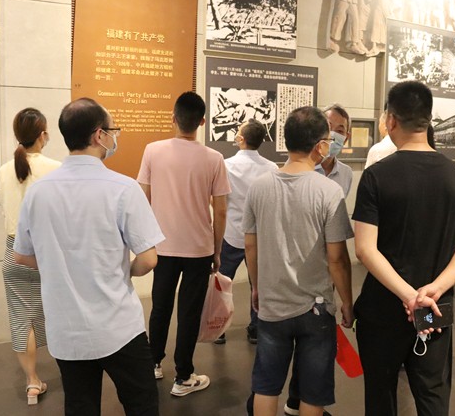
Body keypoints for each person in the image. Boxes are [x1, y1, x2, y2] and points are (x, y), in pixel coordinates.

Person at [13, 98, 163, 416]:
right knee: (142, 404)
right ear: (99, 135)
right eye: (112, 130)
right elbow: (149, 259)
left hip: (67, 329)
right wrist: (124, 269)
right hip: (119, 326)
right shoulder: (124, 188)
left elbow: (22, 256)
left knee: (80, 406)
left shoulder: (38, 192)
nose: (114, 137)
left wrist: (59, 264)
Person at [353, 81, 455, 416]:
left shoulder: (376, 176)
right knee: (433, 396)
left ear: (390, 119)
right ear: (428, 119)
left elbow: (365, 250)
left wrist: (409, 296)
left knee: (381, 396)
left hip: (384, 306)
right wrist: (433, 291)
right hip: (434, 309)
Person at [245, 106, 354, 416]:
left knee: (266, 385)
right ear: (320, 145)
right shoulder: (329, 192)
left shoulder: (259, 187)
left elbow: (250, 246)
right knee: (313, 390)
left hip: (272, 304)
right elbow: (337, 259)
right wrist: (347, 301)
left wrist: (256, 287)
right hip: (315, 309)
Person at [137, 91, 231, 396]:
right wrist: (217, 251)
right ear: (202, 122)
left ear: (173, 118)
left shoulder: (152, 151)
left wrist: (146, 242)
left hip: (162, 246)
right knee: (189, 312)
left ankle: (153, 363)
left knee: (160, 306)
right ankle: (183, 376)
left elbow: (143, 199)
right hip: (199, 248)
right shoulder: (214, 158)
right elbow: (220, 210)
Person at [0, 108, 60, 406]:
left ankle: (32, 382)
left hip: (14, 252)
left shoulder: (4, 170)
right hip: (48, 253)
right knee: (59, 313)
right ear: (43, 135)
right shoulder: (56, 168)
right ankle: (74, 371)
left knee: (22, 319)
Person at [215, 118, 278, 345]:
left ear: (241, 139)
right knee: (257, 283)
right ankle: (256, 329)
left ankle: (219, 329)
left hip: (231, 233)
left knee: (223, 284)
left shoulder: (226, 165)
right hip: (260, 236)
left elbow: (219, 201)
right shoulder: (272, 168)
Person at [316, 104, 354, 197]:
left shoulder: (346, 173)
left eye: (340, 131)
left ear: (346, 138)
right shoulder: (303, 168)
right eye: (328, 128)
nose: (332, 135)